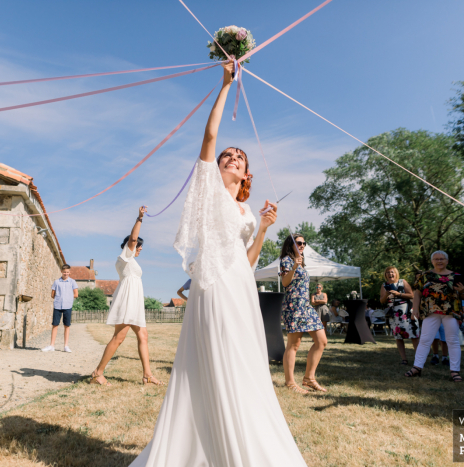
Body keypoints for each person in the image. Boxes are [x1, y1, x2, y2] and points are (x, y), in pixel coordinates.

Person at [130, 62, 307, 466]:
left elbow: (248, 261)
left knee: (243, 356)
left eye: (239, 157)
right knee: (213, 353)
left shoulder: (246, 212)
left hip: (239, 285)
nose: (232, 157)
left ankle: (242, 435)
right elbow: (209, 135)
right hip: (212, 283)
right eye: (228, 154)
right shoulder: (209, 188)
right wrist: (226, 85)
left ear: (246, 174)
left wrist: (262, 228)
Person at [89, 206, 162, 387]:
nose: (140, 248)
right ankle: (97, 373)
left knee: (143, 336)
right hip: (127, 300)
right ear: (131, 245)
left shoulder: (131, 261)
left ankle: (147, 376)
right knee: (119, 337)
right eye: (139, 245)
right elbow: (134, 238)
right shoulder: (125, 256)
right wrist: (140, 218)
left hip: (135, 301)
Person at [405, 251, 464, 382]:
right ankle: (417, 367)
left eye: (442, 259)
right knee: (425, 340)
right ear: (432, 261)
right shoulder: (425, 275)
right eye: (436, 259)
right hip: (430, 311)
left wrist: (462, 291)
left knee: (452, 340)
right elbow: (417, 294)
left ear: (447, 261)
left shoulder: (456, 276)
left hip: (451, 312)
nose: (439, 261)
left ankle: (455, 371)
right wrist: (415, 309)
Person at [280, 234, 328, 394]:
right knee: (293, 345)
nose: (302, 245)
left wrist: (297, 265)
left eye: (304, 243)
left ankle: (309, 378)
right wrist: (293, 266)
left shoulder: (301, 263)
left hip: (306, 307)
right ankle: (290, 382)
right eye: (299, 242)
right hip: (293, 306)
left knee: (321, 341)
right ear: (291, 244)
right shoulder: (286, 260)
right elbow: (285, 283)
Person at [380, 266, 419, 365]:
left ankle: (419, 359)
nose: (390, 274)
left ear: (396, 273)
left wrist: (399, 294)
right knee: (398, 337)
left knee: (414, 335)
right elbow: (382, 301)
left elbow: (412, 295)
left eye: (392, 272)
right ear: (386, 275)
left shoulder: (402, 282)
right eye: (388, 272)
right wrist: (386, 294)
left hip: (406, 311)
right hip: (394, 313)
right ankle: (404, 359)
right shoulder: (384, 285)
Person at [42, 264, 78, 353]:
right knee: (55, 325)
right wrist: (59, 298)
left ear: (69, 272)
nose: (66, 273)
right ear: (61, 272)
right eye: (64, 272)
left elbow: (76, 294)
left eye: (67, 272)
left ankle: (66, 346)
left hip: (68, 306)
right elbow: (52, 294)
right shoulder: (56, 282)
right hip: (57, 306)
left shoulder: (72, 282)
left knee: (67, 326)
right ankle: (51, 345)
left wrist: (68, 297)